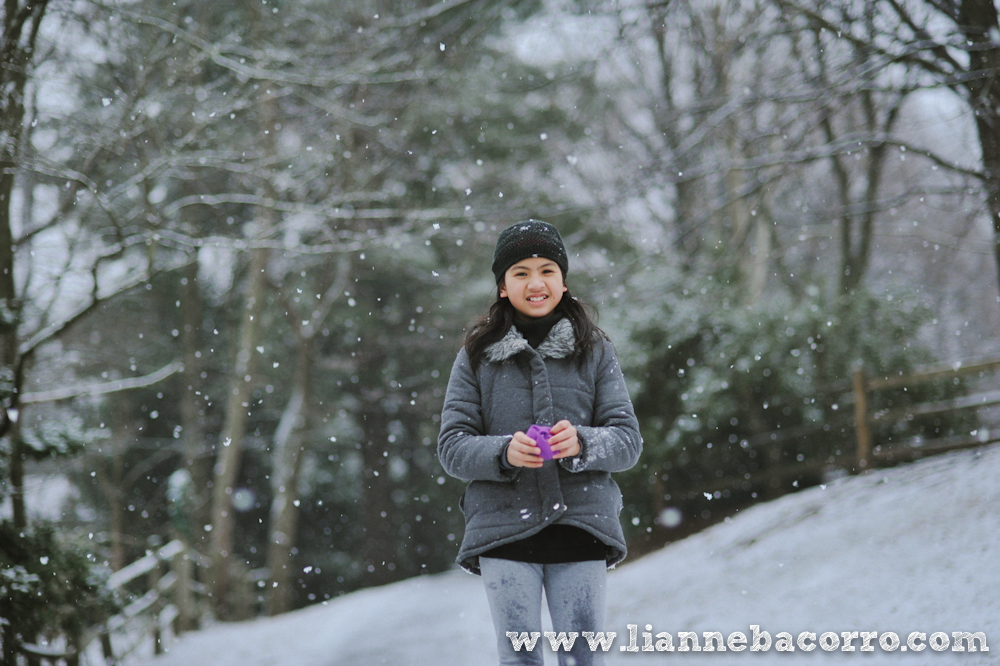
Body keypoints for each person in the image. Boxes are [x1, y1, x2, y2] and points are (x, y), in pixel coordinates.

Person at [438, 220, 642, 666]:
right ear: (502, 288)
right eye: (521, 272)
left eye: (547, 270)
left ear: (563, 282)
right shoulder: (475, 355)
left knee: (582, 658)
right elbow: (452, 447)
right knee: (520, 658)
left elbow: (627, 440)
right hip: (504, 531)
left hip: (582, 528)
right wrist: (502, 453)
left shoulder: (596, 350)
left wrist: (582, 443)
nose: (536, 282)